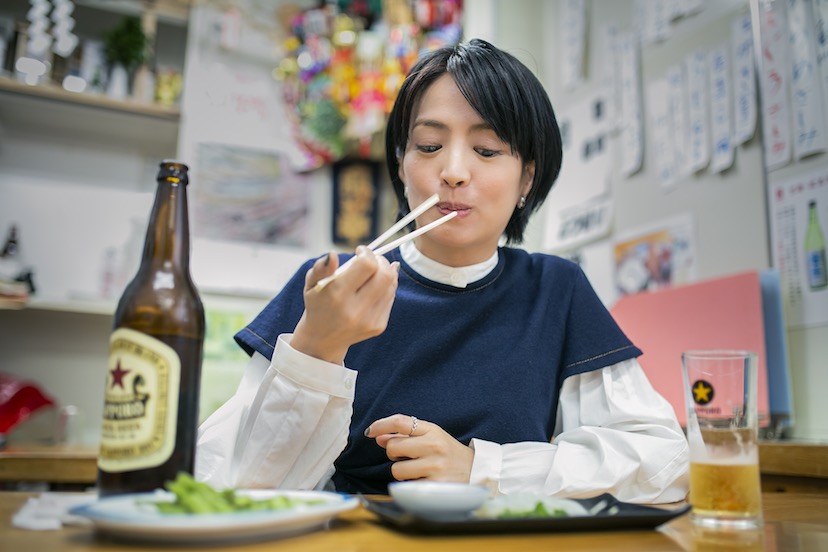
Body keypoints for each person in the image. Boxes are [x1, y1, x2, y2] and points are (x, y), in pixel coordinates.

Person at [196, 38, 689, 503]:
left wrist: (480, 468)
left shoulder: (554, 290)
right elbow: (226, 485)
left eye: (487, 150)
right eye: (429, 146)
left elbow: (664, 463)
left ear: (528, 178)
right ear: (402, 165)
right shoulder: (331, 288)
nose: (453, 171)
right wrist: (318, 346)